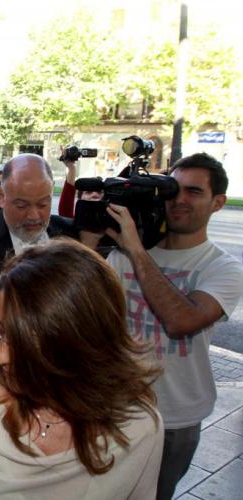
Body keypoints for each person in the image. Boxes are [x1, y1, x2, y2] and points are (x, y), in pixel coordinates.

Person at [0, 239, 163, 499]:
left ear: (84, 345)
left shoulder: (139, 427)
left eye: (24, 343)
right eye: (0, 331)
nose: (0, 357)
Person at [99, 153, 243, 500]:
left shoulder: (223, 268)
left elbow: (181, 321)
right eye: (173, 190)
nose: (179, 199)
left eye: (194, 191)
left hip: (174, 418)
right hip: (114, 409)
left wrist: (136, 250)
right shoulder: (121, 255)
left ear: (218, 202)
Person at [0, 154, 76, 336]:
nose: (34, 216)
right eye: (21, 206)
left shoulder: (73, 236)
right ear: (1, 196)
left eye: (43, 204)